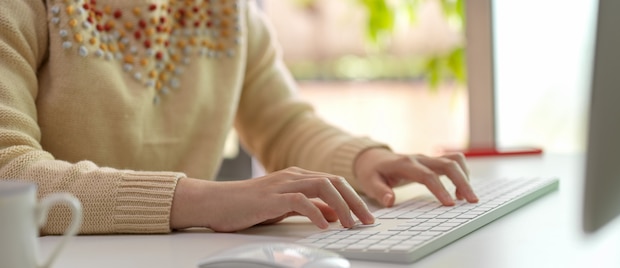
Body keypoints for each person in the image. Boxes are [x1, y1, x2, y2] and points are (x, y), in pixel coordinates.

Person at [0, 0, 478, 235]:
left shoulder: (230, 12)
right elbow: (8, 170)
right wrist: (205, 201)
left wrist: (365, 158)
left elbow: (284, 125)